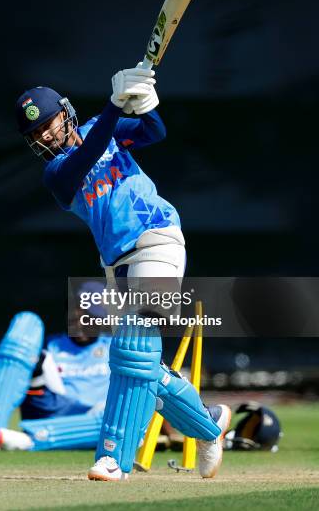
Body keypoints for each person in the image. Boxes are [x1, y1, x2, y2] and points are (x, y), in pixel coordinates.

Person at [16, 65, 231, 480]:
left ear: (65, 112)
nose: (43, 135)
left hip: (158, 238)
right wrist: (115, 106)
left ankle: (112, 458)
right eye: (35, 133)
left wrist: (146, 105)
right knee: (143, 366)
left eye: (47, 124)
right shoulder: (56, 174)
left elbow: (154, 133)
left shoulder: (104, 127)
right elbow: (88, 153)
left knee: (130, 351)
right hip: (115, 264)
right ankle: (208, 425)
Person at [0, 284, 111, 452]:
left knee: (120, 420)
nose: (79, 325)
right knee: (27, 325)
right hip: (52, 410)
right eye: (74, 319)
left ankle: (24, 440)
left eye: (87, 318)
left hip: (97, 418)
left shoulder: (114, 346)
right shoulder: (50, 345)